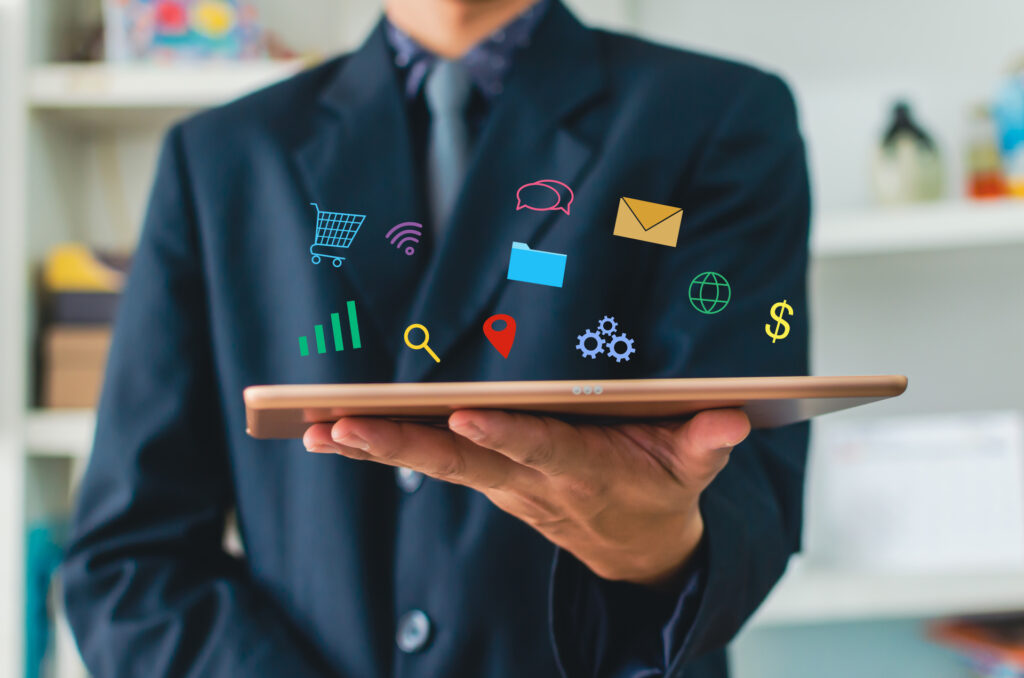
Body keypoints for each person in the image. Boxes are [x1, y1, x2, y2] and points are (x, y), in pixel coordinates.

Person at [61, 0, 811, 676]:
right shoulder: (221, 159)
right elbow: (128, 565)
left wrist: (656, 546)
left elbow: (751, 497)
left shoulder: (719, 118)